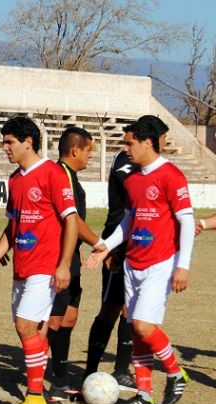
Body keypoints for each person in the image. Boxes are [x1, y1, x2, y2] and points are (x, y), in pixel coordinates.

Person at [87, 118, 194, 404]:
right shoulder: (133, 179)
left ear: (148, 142)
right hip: (133, 263)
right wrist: (106, 246)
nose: (126, 148)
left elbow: (186, 220)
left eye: (129, 143)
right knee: (136, 330)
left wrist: (183, 266)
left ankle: (175, 372)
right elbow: (128, 220)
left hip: (161, 262)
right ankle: (144, 395)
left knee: (144, 326)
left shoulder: (171, 175)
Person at [0, 116, 78, 404]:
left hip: (45, 267)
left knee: (25, 326)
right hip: (22, 267)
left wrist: (64, 266)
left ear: (28, 142)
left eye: (9, 142)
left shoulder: (52, 173)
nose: (5, 148)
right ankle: (39, 390)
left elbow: (71, 221)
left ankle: (34, 397)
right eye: (4, 142)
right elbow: (13, 227)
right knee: (33, 330)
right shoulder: (15, 179)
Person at [82, 115, 169, 389]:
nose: (165, 145)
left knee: (130, 310)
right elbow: (129, 210)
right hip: (119, 243)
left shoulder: (150, 165)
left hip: (139, 245)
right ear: (150, 139)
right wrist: (113, 247)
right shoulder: (127, 161)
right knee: (110, 308)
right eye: (163, 139)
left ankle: (121, 370)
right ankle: (90, 371)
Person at [45, 126, 100, 404]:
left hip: (71, 255)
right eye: (89, 150)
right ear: (75, 150)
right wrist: (99, 244)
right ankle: (49, 381)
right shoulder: (61, 174)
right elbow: (73, 219)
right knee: (53, 320)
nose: (91, 156)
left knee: (69, 317)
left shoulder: (72, 176)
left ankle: (61, 376)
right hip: (58, 258)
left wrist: (77, 248)